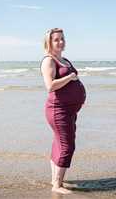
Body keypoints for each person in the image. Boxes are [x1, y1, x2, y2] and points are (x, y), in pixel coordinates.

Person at [40, 28, 86, 194]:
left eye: (62, 38)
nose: (60, 42)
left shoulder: (64, 59)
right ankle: (57, 185)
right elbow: (50, 86)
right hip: (58, 110)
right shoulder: (49, 61)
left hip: (69, 110)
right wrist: (70, 78)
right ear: (49, 43)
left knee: (59, 142)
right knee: (67, 146)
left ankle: (55, 179)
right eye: (56, 39)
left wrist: (78, 98)